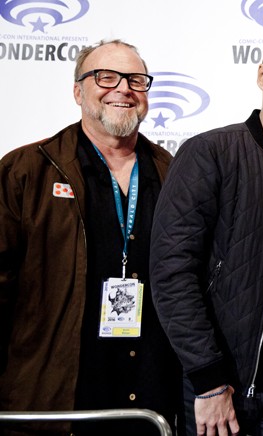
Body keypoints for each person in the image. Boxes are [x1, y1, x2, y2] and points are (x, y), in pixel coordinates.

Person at [150, 20, 263, 436]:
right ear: (262, 76)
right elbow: (171, 272)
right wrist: (209, 379)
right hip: (222, 385)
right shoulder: (209, 153)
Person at [0, 40, 184, 435]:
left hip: (154, 403)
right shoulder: (26, 172)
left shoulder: (176, 175)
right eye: (106, 77)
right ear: (77, 91)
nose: (123, 89)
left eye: (135, 79)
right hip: (58, 401)